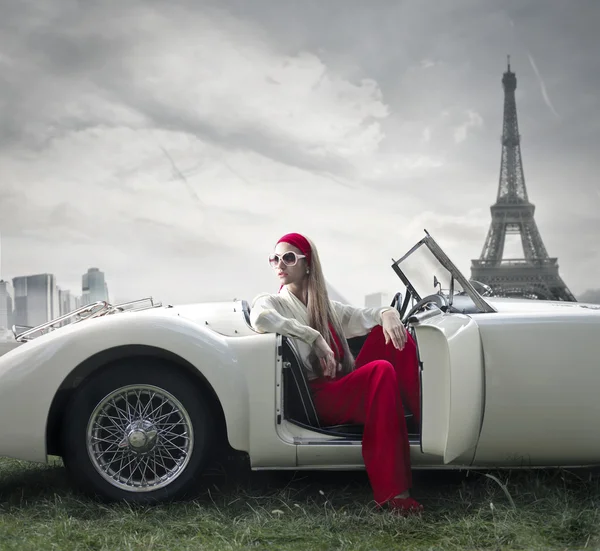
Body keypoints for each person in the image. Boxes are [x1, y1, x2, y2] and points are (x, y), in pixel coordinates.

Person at [250, 232, 423, 515]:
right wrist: (312, 336)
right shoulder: (273, 302)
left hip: (340, 384)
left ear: (307, 265)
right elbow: (259, 319)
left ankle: (425, 422)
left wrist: (388, 313)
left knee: (389, 335)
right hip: (319, 397)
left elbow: (366, 315)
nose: (280, 264)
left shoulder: (328, 307)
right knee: (380, 370)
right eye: (275, 258)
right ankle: (394, 493)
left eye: (289, 257)